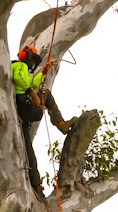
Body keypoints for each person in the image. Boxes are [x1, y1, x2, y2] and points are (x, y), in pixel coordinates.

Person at [12, 45, 77, 191]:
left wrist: (46, 70)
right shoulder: (19, 65)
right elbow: (18, 78)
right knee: (45, 93)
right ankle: (60, 123)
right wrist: (32, 93)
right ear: (27, 56)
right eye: (33, 59)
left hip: (22, 113)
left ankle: (36, 184)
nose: (33, 63)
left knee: (28, 148)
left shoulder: (23, 70)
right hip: (25, 106)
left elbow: (36, 83)